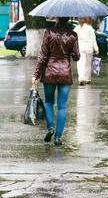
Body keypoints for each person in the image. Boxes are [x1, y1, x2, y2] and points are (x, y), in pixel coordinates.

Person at [31, 17, 80, 146]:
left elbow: (42, 56)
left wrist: (36, 75)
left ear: (57, 18)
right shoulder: (73, 35)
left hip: (50, 73)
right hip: (65, 74)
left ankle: (51, 128)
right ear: (69, 18)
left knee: (49, 102)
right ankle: (58, 137)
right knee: (62, 106)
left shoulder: (49, 32)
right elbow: (77, 57)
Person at [74, 17, 98, 85]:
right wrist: (96, 48)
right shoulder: (89, 28)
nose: (80, 20)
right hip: (87, 47)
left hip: (81, 47)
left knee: (81, 63)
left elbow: (73, 39)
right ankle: (86, 78)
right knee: (87, 63)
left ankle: (82, 78)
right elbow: (93, 39)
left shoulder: (76, 28)